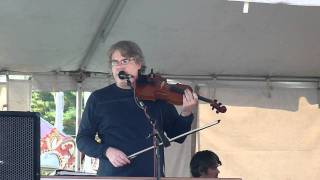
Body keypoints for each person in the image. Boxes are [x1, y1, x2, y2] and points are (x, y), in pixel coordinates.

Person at [76, 40, 198, 177]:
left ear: (139, 64)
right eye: (114, 62)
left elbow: (177, 136)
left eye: (125, 61)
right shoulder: (99, 98)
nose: (118, 67)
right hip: (113, 176)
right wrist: (107, 151)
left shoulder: (156, 96)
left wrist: (186, 112)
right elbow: (82, 140)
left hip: (151, 176)